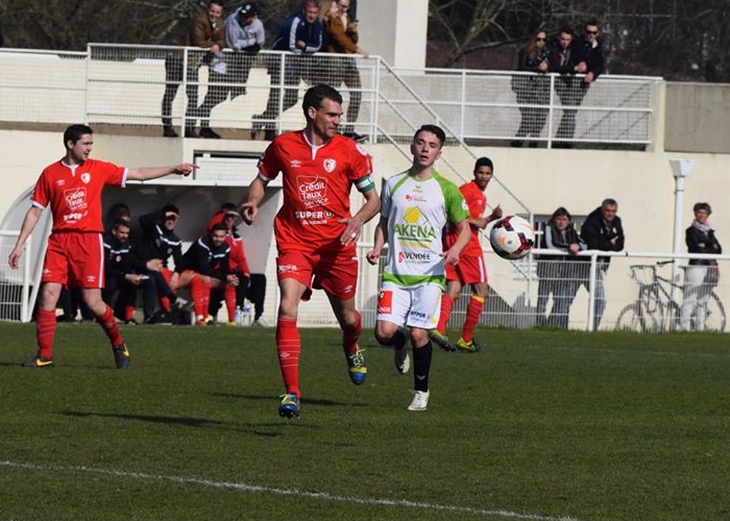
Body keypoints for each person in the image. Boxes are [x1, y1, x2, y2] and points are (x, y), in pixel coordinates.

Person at [241, 84, 380, 419]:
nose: (338, 120)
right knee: (287, 306)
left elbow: (373, 201)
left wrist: (357, 221)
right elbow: (261, 179)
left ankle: (351, 347)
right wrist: (253, 201)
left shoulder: (349, 151)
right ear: (311, 112)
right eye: (332, 114)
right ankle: (292, 392)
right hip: (295, 242)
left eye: (340, 115)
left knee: (348, 318)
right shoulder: (283, 146)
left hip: (337, 246)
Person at [8, 124, 195, 369]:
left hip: (88, 241)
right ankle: (44, 355)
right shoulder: (50, 174)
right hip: (59, 241)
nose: (89, 148)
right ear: (70, 144)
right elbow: (35, 212)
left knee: (93, 302)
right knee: (48, 295)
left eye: (91, 144)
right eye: (85, 144)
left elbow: (138, 173)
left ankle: (119, 344)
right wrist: (19, 245)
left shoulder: (98, 169)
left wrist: (173, 168)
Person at [366, 124, 470, 412]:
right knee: (384, 333)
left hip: (429, 276)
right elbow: (384, 223)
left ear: (439, 153)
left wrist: (455, 250)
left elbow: (465, 230)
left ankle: (421, 392)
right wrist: (377, 247)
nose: (425, 148)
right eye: (421, 142)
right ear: (412, 146)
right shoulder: (394, 184)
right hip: (396, 274)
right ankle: (399, 347)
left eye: (432, 145)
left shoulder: (447, 190)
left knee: (419, 334)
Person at [430, 157, 502, 353]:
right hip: (467, 246)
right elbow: (453, 211)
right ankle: (466, 338)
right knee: (482, 291)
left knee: (453, 289)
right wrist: (478, 222)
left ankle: (439, 329)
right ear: (474, 173)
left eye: (487, 173)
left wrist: (490, 218)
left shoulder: (479, 194)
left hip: (454, 244)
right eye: (481, 172)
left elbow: (478, 221)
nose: (484, 176)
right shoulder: (468, 190)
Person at [252, 0, 323, 142]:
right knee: (275, 95)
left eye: (315, 13)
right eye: (309, 12)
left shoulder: (317, 25)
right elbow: (291, 45)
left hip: (296, 63)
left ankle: (262, 119)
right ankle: (269, 130)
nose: (312, 16)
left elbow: (317, 46)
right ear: (304, 11)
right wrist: (304, 49)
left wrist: (305, 47)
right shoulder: (295, 21)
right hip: (281, 60)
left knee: (291, 97)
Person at [161, 1, 225, 139]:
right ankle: (167, 127)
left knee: (193, 95)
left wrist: (217, 45)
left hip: (192, 63)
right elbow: (199, 42)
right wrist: (214, 45)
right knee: (170, 93)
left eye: (217, 12)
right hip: (177, 59)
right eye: (212, 11)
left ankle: (189, 128)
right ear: (208, 10)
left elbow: (221, 41)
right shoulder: (199, 20)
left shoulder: (220, 23)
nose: (214, 15)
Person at [550, 21, 605, 148]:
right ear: (584, 32)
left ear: (597, 33)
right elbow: (577, 60)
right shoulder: (577, 44)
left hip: (582, 84)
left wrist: (592, 73)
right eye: (588, 32)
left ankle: (561, 141)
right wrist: (581, 66)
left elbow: (600, 66)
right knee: (570, 112)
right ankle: (562, 143)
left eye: (594, 32)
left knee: (571, 112)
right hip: (569, 82)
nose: (591, 35)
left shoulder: (598, 47)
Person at [132, 205, 191, 322]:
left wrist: (176, 274)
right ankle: (172, 303)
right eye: (168, 218)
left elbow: (179, 262)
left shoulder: (175, 240)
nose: (170, 221)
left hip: (157, 272)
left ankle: (157, 316)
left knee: (159, 277)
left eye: (173, 218)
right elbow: (142, 220)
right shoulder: (153, 229)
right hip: (141, 266)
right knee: (159, 274)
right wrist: (163, 214)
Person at [176, 223, 239, 325]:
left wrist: (231, 276)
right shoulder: (202, 243)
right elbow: (203, 268)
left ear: (225, 236)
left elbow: (224, 268)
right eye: (215, 236)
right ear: (211, 235)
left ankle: (232, 321)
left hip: (202, 272)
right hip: (185, 271)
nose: (218, 239)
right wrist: (225, 276)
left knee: (230, 283)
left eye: (221, 236)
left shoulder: (226, 247)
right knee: (204, 279)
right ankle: (201, 318)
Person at [535, 207, 585, 329]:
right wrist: (569, 247)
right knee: (542, 301)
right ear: (554, 219)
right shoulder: (548, 228)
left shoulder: (572, 232)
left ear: (568, 221)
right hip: (548, 270)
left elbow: (583, 245)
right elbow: (550, 245)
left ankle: (552, 326)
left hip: (564, 272)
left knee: (561, 300)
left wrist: (576, 246)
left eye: (564, 219)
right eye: (559, 219)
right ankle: (540, 326)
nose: (561, 222)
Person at [326, 0, 369, 142]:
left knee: (356, 93)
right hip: (336, 60)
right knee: (332, 96)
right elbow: (338, 37)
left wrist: (354, 31)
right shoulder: (332, 18)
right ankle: (330, 127)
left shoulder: (348, 17)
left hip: (349, 60)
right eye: (342, 5)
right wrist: (357, 49)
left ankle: (349, 129)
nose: (344, 8)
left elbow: (351, 40)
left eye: (347, 6)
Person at [580, 198, 624, 330]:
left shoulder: (617, 221)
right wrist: (610, 243)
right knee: (566, 298)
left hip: (598, 267)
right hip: (582, 265)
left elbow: (621, 244)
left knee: (600, 300)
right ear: (602, 209)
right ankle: (554, 326)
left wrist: (606, 244)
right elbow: (593, 245)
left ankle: (593, 329)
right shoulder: (592, 221)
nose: (610, 214)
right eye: (608, 211)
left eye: (613, 211)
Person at [102, 219, 156, 325]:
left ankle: (129, 317)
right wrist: (126, 275)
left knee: (134, 283)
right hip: (105, 274)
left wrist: (132, 274)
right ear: (114, 231)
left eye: (127, 233)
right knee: (111, 283)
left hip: (118, 274)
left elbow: (125, 263)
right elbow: (106, 267)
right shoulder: (106, 241)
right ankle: (104, 315)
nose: (125, 236)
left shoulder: (126, 243)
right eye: (122, 233)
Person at [206, 203, 252, 324]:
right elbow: (211, 226)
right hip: (218, 269)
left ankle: (241, 311)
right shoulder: (218, 234)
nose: (231, 219)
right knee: (226, 281)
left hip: (231, 270)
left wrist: (247, 272)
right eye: (228, 216)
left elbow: (241, 258)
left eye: (233, 217)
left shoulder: (236, 237)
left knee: (255, 279)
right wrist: (223, 213)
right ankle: (212, 315)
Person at [680, 202, 722, 331]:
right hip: (697, 266)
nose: (701, 215)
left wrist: (706, 245)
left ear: (708, 215)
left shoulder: (710, 232)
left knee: (704, 300)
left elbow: (719, 249)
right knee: (690, 298)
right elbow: (694, 248)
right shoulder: (691, 231)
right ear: (695, 214)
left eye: (704, 213)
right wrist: (710, 247)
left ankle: (700, 327)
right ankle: (684, 328)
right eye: (699, 212)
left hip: (710, 267)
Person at [511, 29, 550, 148]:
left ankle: (533, 144)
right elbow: (522, 67)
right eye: (538, 39)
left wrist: (547, 67)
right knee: (528, 119)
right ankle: (517, 143)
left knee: (541, 119)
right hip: (526, 90)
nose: (541, 42)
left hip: (542, 90)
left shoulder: (547, 53)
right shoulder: (526, 52)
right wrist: (537, 69)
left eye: (544, 39)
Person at [224, 3, 265, 99]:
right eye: (242, 16)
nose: (243, 19)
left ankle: (238, 93)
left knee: (240, 85)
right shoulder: (232, 20)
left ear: (253, 17)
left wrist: (252, 46)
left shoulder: (258, 25)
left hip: (246, 58)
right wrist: (250, 42)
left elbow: (260, 42)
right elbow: (234, 44)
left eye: (246, 17)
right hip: (228, 55)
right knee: (225, 87)